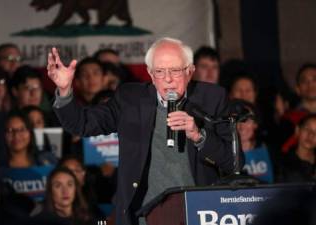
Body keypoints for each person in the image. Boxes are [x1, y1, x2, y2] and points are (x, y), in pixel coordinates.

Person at [47, 37, 235, 225]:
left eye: (175, 71)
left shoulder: (213, 99)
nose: (168, 79)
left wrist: (198, 135)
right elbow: (83, 124)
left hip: (199, 213)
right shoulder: (130, 99)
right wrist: (64, 91)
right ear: (150, 74)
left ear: (190, 71)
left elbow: (233, 162)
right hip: (144, 216)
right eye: (160, 72)